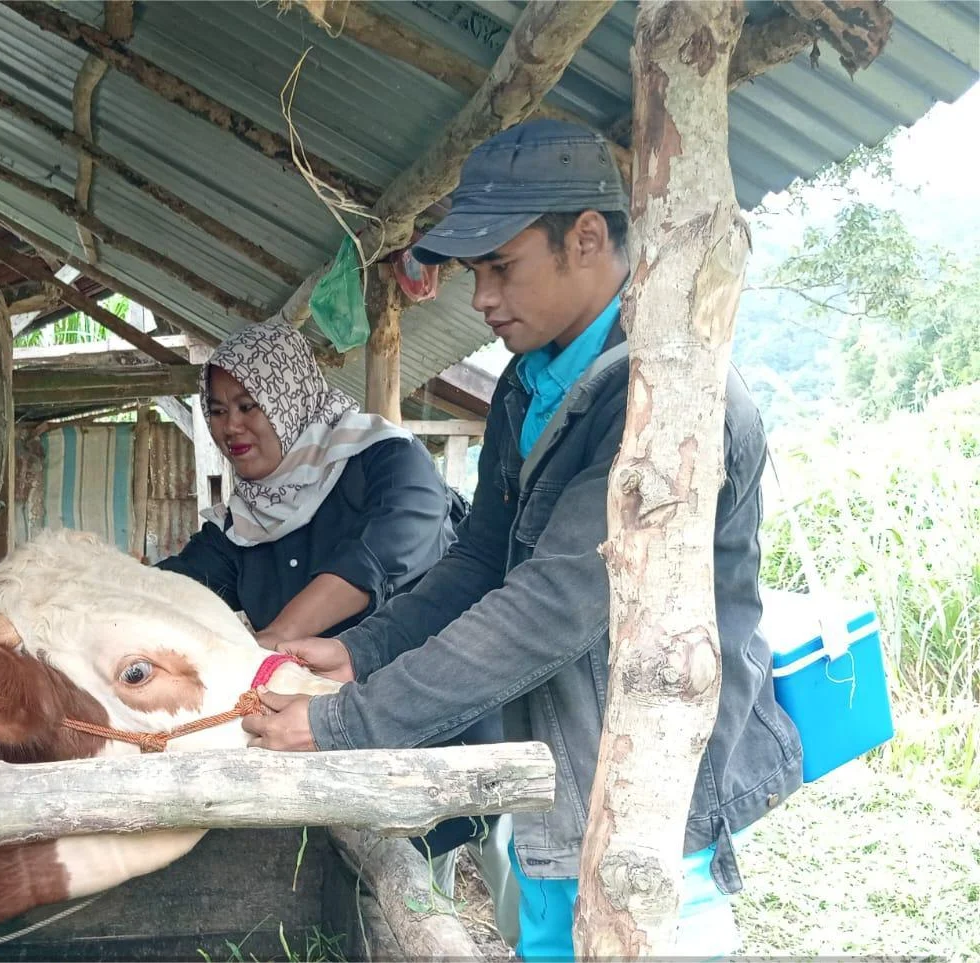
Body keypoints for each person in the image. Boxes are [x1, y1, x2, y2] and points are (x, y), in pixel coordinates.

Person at [240, 120, 803, 960]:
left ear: (584, 238)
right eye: (475, 273)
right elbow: (480, 559)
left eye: (501, 267)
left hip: (645, 785)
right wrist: (363, 649)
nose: (483, 299)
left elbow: (551, 608)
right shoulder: (527, 383)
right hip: (555, 771)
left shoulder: (664, 395)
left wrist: (347, 723)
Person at [156, 319, 505, 892]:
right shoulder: (243, 519)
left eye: (249, 405)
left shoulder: (386, 461)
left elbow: (386, 552)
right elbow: (175, 590)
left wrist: (273, 641)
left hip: (428, 739)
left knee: (423, 896)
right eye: (217, 410)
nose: (230, 426)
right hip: (312, 750)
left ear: (290, 397)